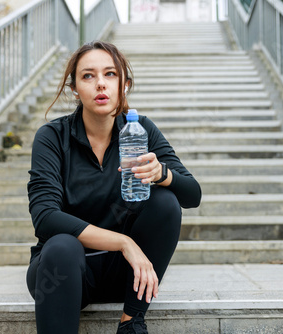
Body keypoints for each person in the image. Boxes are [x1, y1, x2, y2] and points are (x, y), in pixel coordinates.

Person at [25, 40, 202, 334]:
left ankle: (131, 322)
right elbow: (44, 216)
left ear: (125, 84)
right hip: (64, 274)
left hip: (126, 276)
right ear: (74, 89)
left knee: (165, 201)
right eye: (88, 76)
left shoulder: (141, 129)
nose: (100, 85)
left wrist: (162, 174)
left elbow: (192, 195)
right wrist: (124, 242)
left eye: (110, 74)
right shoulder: (52, 137)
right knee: (61, 244)